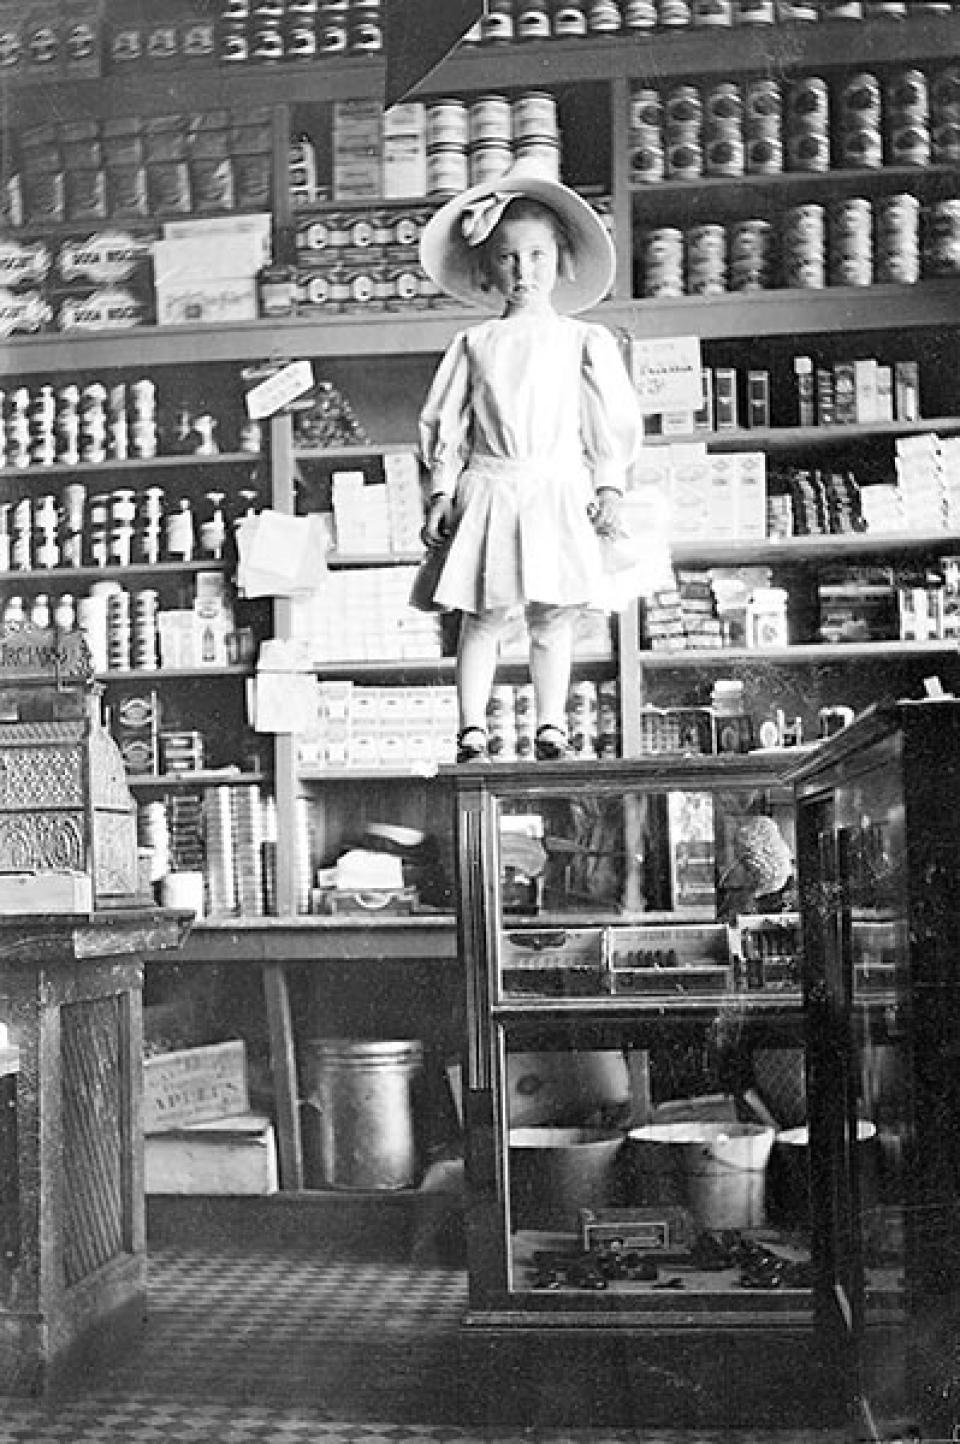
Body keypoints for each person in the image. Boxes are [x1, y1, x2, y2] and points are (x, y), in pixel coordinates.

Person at [415, 160, 654, 763]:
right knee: (485, 614)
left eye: (537, 256)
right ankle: (472, 729)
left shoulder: (583, 341)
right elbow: (447, 423)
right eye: (507, 257)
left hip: (557, 486)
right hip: (493, 483)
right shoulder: (475, 343)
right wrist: (441, 492)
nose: (523, 272)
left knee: (553, 616)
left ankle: (551, 726)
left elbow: (609, 422)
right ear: (487, 267)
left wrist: (610, 486)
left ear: (560, 259)